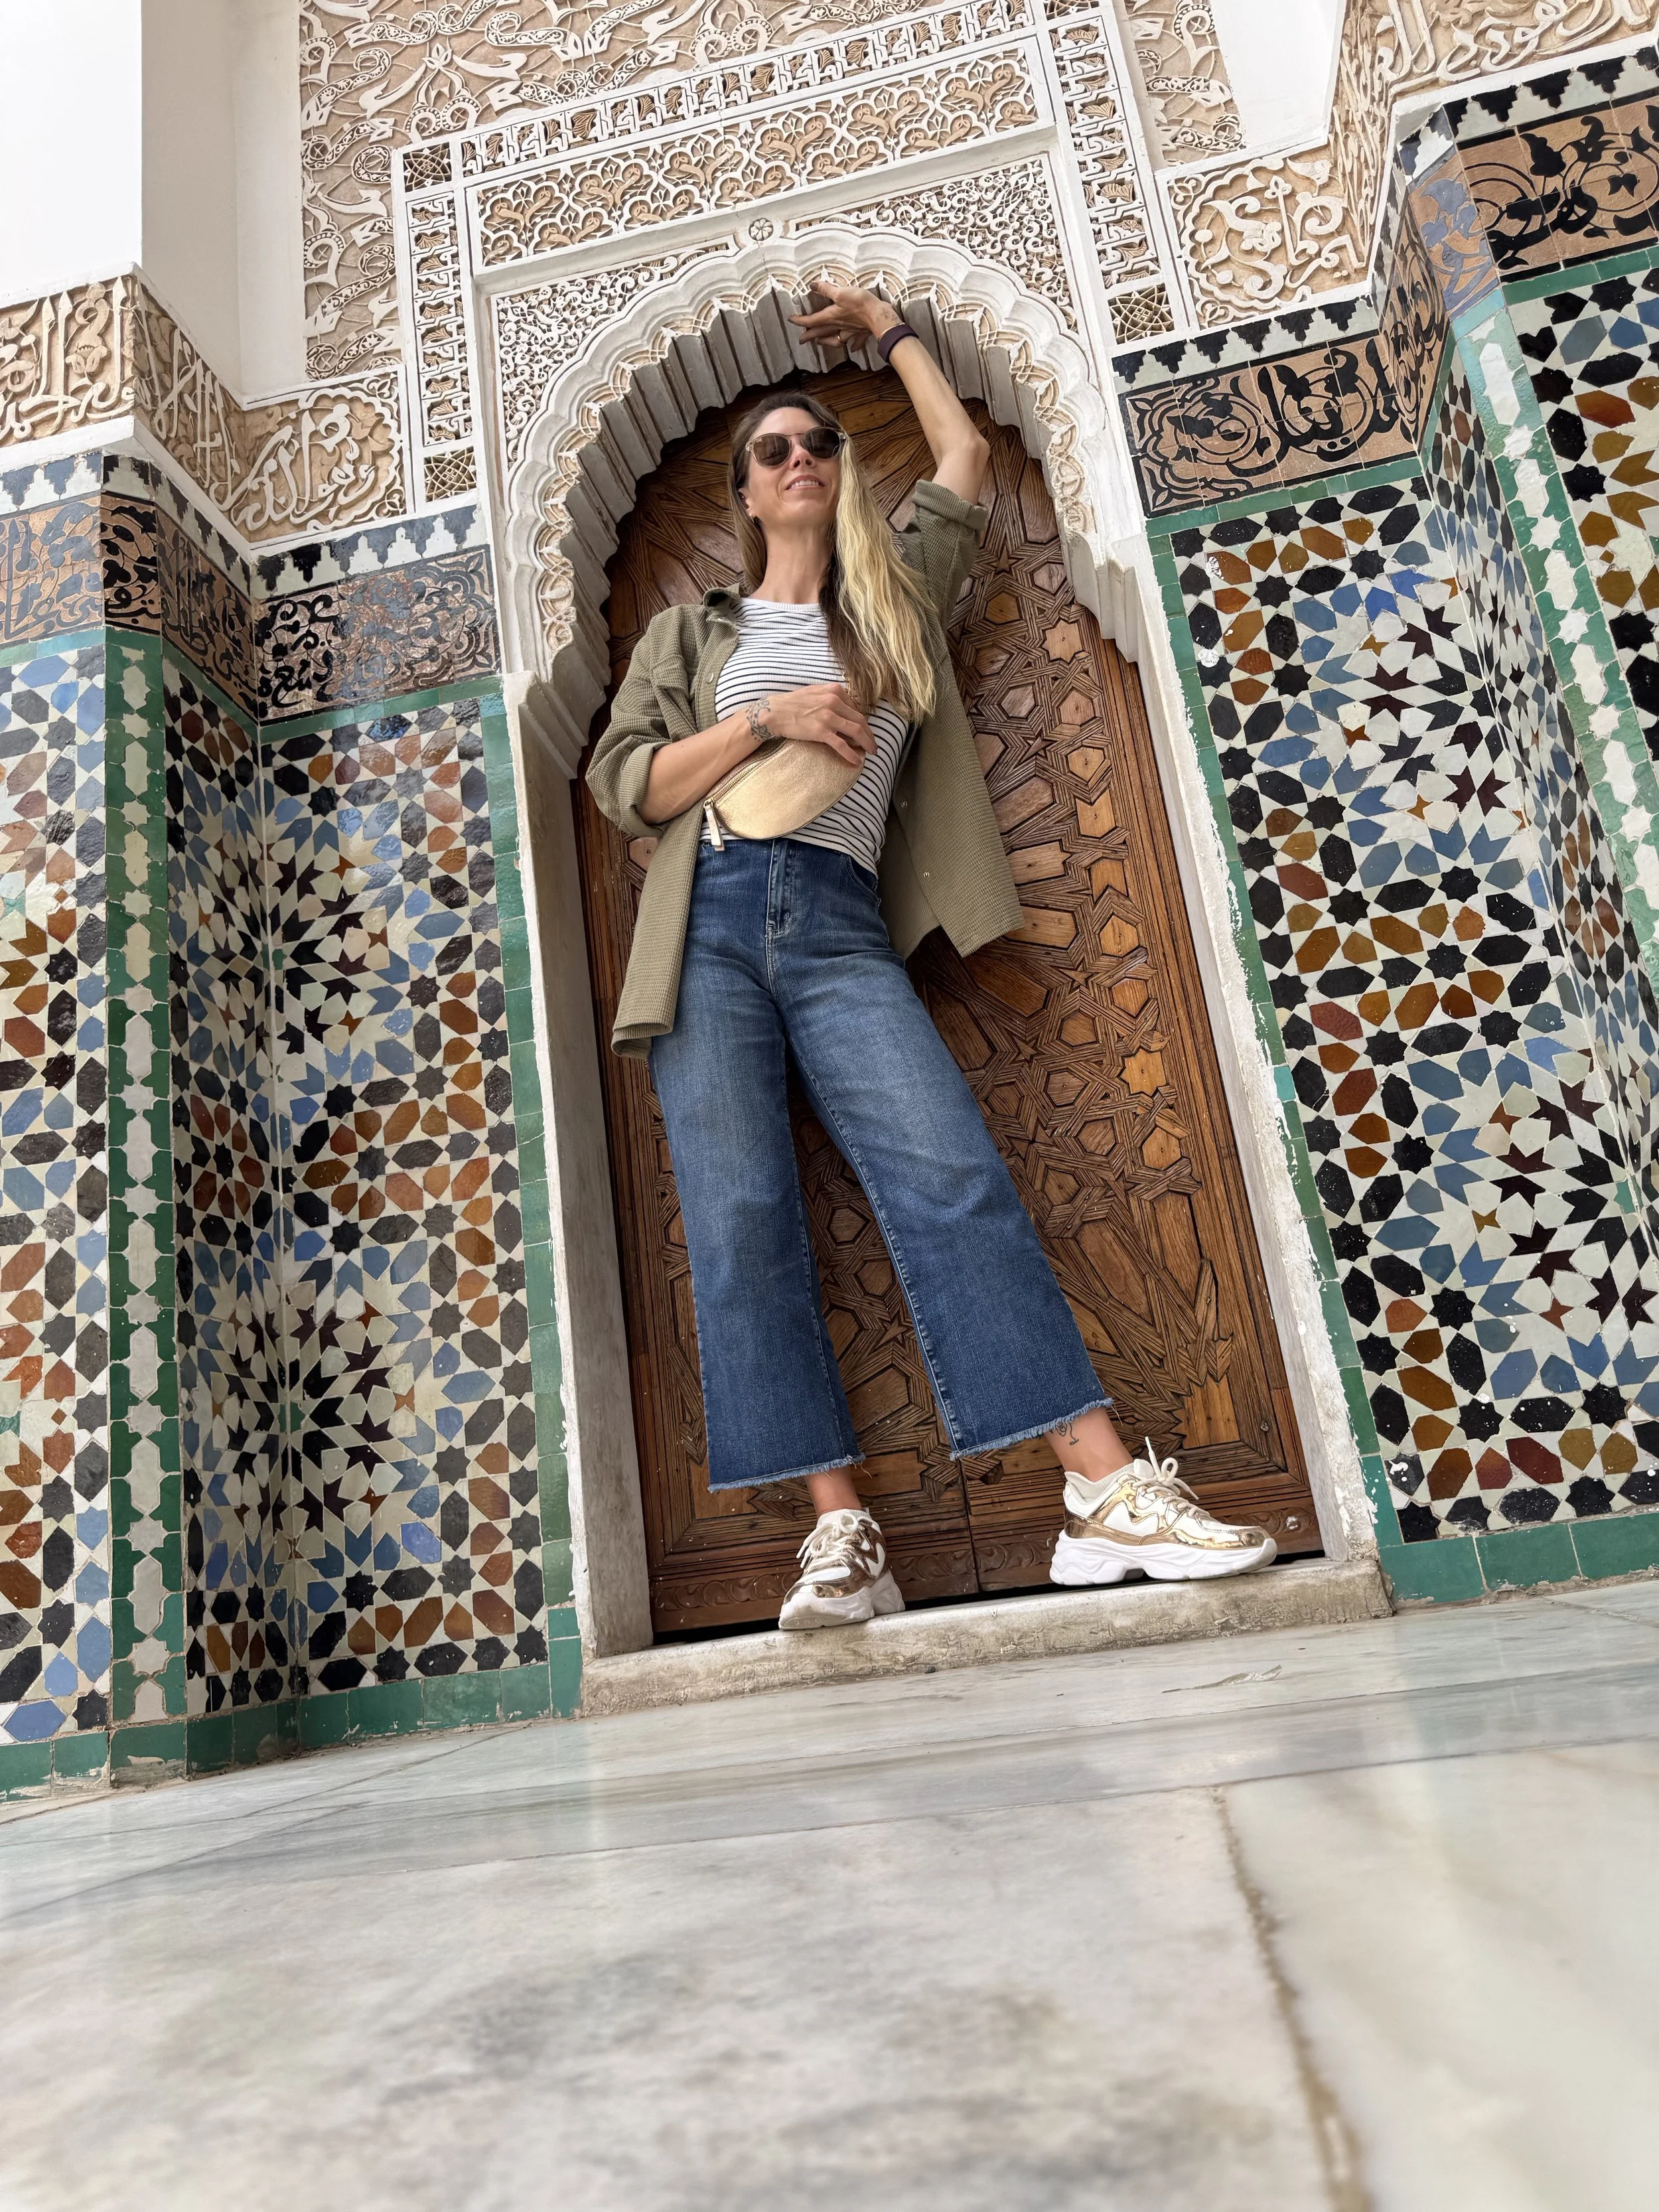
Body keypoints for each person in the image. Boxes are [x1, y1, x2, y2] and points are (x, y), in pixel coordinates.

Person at [587, 283, 1276, 1630]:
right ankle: (839, 1531)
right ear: (741, 491)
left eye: (816, 443)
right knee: (736, 1225)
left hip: (841, 923)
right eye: (772, 450)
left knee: (951, 1179)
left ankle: (1097, 1491)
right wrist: (766, 721)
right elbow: (631, 785)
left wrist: (894, 332)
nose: (798, 459)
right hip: (708, 928)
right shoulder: (692, 635)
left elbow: (960, 460)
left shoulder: (894, 598)